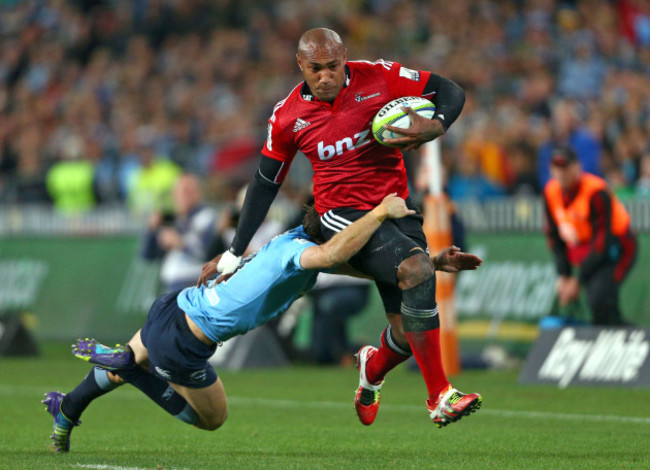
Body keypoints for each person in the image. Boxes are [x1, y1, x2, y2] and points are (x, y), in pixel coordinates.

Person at [206, 27, 481, 427]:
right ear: (300, 65)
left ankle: (372, 367)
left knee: (406, 335)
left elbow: (450, 90)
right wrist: (235, 250)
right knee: (417, 268)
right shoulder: (287, 117)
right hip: (340, 215)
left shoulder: (379, 76)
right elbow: (265, 183)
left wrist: (436, 124)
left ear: (344, 58)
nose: (325, 76)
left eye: (332, 66)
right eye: (315, 69)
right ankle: (439, 395)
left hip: (397, 209)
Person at [543, 146, 638, 325]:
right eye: (557, 167)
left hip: (618, 249)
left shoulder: (595, 192)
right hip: (590, 252)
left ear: (577, 167)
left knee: (600, 298)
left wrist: (577, 281)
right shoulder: (551, 193)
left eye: (566, 167)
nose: (562, 172)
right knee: (601, 308)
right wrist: (564, 274)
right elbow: (555, 239)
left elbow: (602, 243)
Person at [142, 174, 218, 292]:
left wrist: (180, 243)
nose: (182, 197)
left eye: (188, 192)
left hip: (196, 283)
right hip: (171, 285)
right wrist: (151, 230)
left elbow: (207, 253)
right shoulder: (174, 220)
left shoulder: (206, 216)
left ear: (198, 193)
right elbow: (147, 255)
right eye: (179, 192)